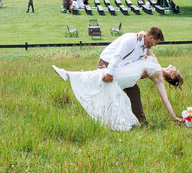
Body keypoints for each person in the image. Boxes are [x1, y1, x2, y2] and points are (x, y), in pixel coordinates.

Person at [52, 56, 183, 130]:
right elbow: (148, 38)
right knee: (100, 77)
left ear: (171, 76)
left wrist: (174, 117)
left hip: (128, 75)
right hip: (127, 70)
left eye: (176, 70)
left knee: (100, 75)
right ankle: (69, 74)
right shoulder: (156, 61)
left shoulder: (159, 76)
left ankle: (68, 74)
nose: (175, 67)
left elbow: (165, 99)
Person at [95, 27, 163, 124]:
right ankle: (104, 121)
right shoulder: (131, 39)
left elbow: (133, 63)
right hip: (106, 64)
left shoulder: (144, 49)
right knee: (107, 93)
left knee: (134, 91)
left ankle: (142, 121)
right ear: (151, 38)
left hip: (120, 68)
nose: (155, 45)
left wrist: (141, 74)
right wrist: (110, 73)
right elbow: (117, 56)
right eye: (157, 42)